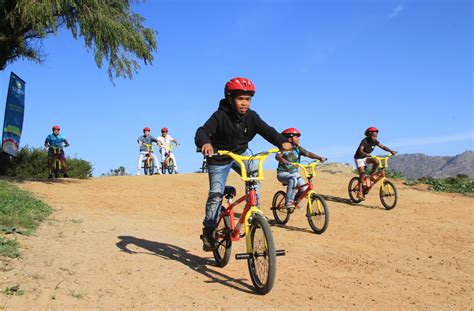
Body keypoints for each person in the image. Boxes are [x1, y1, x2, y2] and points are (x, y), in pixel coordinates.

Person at [195, 76, 292, 251]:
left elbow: (267, 130)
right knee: (216, 193)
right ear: (230, 98)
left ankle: (254, 212)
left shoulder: (252, 117)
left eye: (247, 99)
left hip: (241, 154)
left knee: (254, 174)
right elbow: (202, 131)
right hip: (219, 157)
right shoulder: (220, 116)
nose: (244, 103)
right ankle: (209, 229)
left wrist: (281, 141)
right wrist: (205, 143)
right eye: (240, 98)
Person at [275, 128, 327, 208]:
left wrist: (319, 157)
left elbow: (308, 154)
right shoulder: (284, 147)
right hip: (283, 173)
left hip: (294, 173)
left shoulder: (298, 149)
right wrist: (283, 160)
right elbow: (277, 156)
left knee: (305, 189)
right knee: (293, 179)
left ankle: (295, 200)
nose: (298, 139)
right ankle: (289, 201)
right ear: (289, 138)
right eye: (296, 137)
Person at [354, 127, 397, 200]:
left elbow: (383, 146)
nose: (375, 138)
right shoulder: (364, 141)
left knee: (376, 161)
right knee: (362, 174)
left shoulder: (375, 141)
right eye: (374, 136)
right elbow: (360, 150)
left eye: (376, 136)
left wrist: (390, 151)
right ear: (369, 135)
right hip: (359, 158)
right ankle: (359, 192)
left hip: (366, 157)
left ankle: (371, 175)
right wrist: (366, 154)